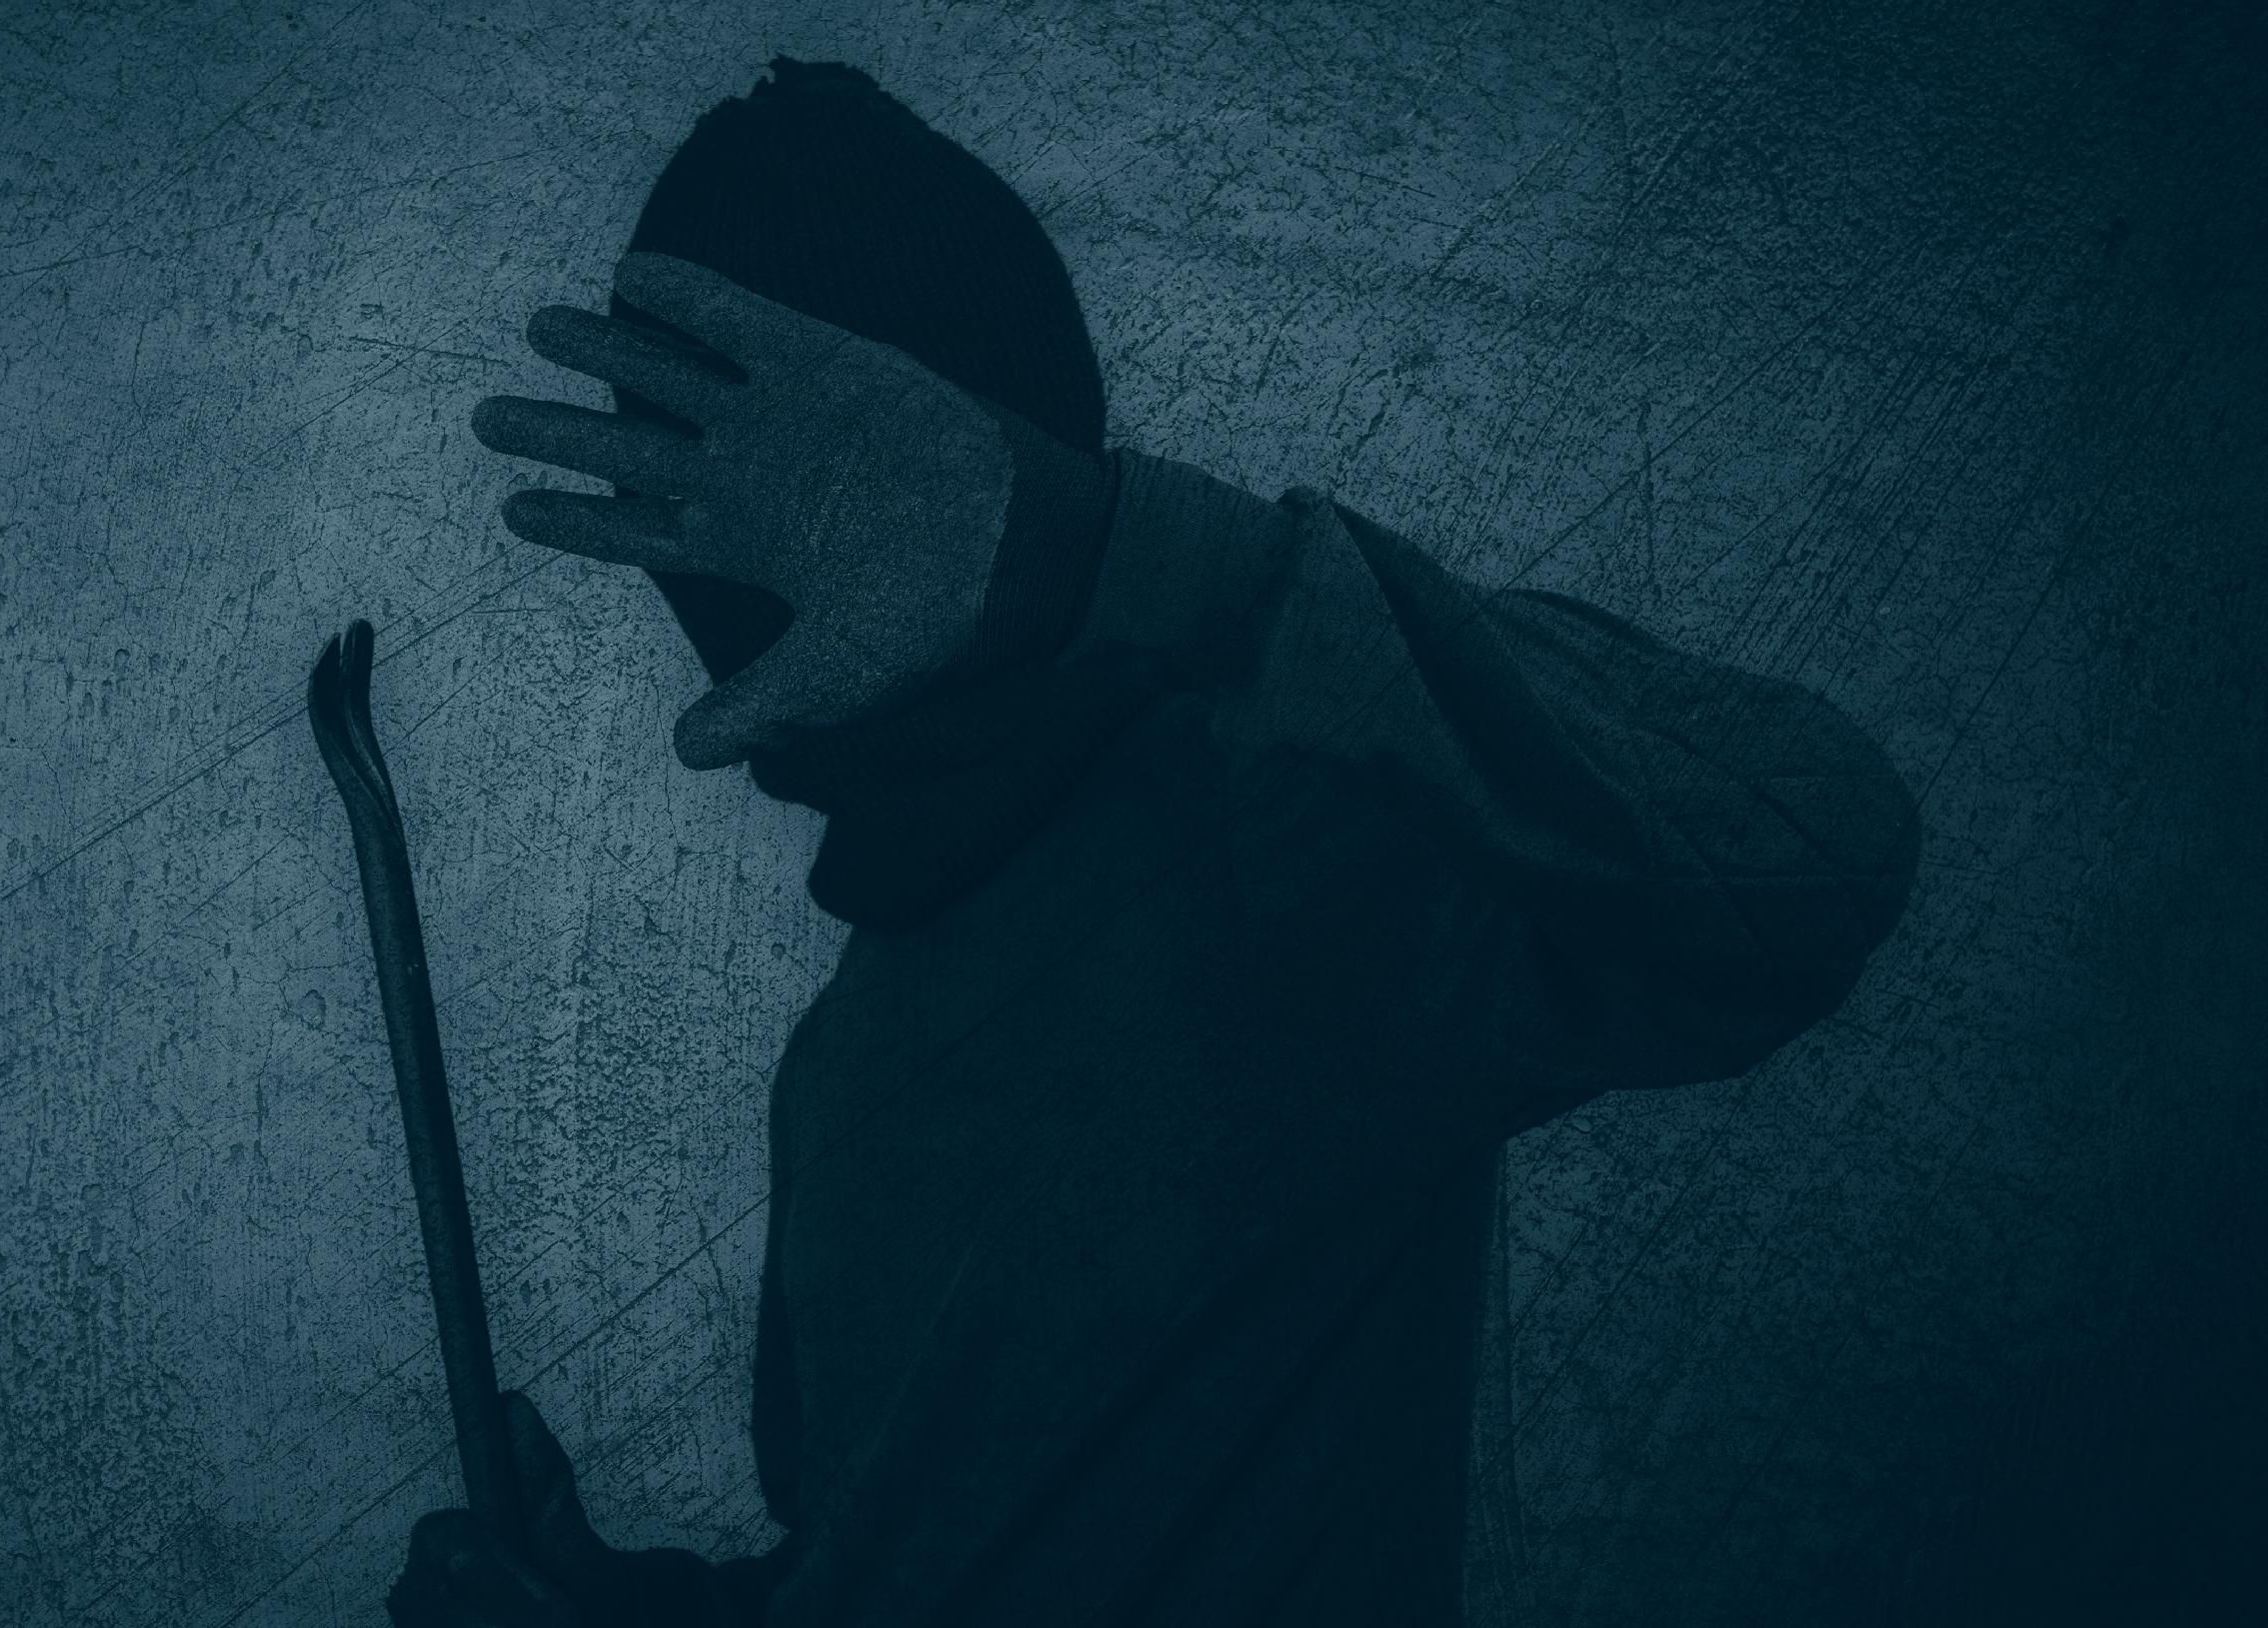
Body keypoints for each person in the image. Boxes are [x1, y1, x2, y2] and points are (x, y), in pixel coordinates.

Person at [387, 57, 1919, 1626]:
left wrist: (1120, 546)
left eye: (854, 478)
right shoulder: (852, 1041)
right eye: (699, 475)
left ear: (997, 456)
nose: (741, 557)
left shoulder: (1283, 838)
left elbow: (1814, 843)